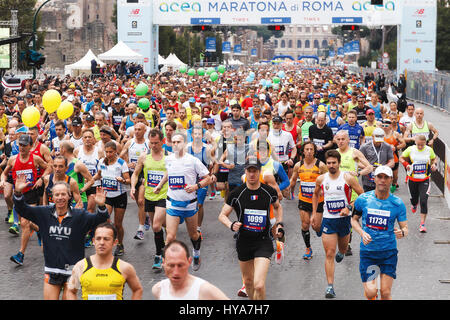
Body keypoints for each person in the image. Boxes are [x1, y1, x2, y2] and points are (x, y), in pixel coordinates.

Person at [12, 173, 109, 299]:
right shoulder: (44, 213)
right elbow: (23, 209)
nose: (60, 197)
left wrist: (101, 206)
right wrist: (18, 193)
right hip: (52, 269)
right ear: (52, 197)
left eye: (63, 194)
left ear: (69, 196)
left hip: (73, 271)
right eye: (57, 194)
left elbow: (100, 218)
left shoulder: (80, 216)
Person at [218, 158, 284, 300]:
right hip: (244, 242)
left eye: (255, 171)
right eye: (249, 171)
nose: (252, 174)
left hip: (263, 241)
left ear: (259, 172)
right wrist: (231, 225)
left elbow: (278, 207)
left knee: (259, 285)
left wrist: (279, 224)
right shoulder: (236, 193)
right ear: (245, 171)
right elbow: (222, 215)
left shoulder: (269, 192)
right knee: (248, 282)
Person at [154, 132, 212, 271]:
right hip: (172, 203)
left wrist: (196, 186)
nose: (175, 144)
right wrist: (160, 184)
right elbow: (169, 173)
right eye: (173, 142)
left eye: (178, 142)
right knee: (170, 237)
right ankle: (173, 265)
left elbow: (208, 178)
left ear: (185, 144)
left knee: (193, 235)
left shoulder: (193, 160)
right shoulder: (168, 159)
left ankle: (196, 253)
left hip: (189, 204)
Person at [311, 150, 364, 299]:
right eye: (329, 163)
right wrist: (315, 213)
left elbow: (362, 195)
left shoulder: (347, 178)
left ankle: (342, 252)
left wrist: (349, 207)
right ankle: (330, 287)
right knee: (329, 253)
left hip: (344, 220)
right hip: (328, 220)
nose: (331, 165)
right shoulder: (321, 179)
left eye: (334, 163)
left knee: (342, 249)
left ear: (339, 163)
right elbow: (315, 195)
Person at [352, 166, 408, 300]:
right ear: (374, 179)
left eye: (386, 177)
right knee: (371, 292)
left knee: (385, 292)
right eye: (380, 177)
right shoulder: (363, 199)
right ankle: (372, 294)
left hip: (388, 253)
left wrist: (402, 232)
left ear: (391, 180)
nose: (382, 180)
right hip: (368, 253)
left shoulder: (397, 204)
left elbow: (405, 228)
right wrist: (362, 233)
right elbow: (353, 220)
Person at [1, 134, 52, 265]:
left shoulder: (35, 158)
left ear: (30, 146)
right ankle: (42, 230)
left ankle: (20, 254)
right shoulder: (13, 159)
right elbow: (5, 173)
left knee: (24, 223)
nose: (22, 147)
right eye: (20, 145)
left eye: (25, 145)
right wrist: (2, 180)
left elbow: (49, 167)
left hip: (31, 193)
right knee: (28, 223)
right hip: (18, 194)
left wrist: (41, 179)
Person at [66, 223, 143, 300]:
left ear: (115, 242)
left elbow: (137, 289)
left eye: (106, 239)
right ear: (93, 241)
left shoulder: (125, 268)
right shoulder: (80, 266)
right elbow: (71, 291)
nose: (102, 243)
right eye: (98, 238)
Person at [131, 129, 168, 271]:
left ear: (162, 141)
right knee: (156, 226)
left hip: (164, 196)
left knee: (157, 225)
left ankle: (159, 254)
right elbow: (135, 173)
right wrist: (133, 187)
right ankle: (167, 238)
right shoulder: (144, 157)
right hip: (149, 196)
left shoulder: (168, 157)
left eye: (156, 143)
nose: (153, 146)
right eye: (151, 143)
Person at [152, 240, 229, 300]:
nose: (176, 272)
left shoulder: (204, 290)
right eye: (171, 265)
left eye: (180, 265)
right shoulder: (158, 290)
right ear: (163, 263)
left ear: (189, 262)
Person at [289, 141, 327, 260]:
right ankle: (308, 248)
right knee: (305, 224)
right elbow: (293, 180)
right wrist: (290, 191)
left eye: (311, 149)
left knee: (316, 226)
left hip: (318, 200)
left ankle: (319, 229)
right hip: (304, 199)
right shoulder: (298, 165)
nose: (309, 151)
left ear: (315, 151)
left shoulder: (320, 165)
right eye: (307, 149)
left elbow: (328, 181)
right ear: (303, 151)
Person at [93, 141, 130, 256]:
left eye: (111, 152)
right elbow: (99, 175)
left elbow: (128, 180)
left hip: (119, 196)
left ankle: (120, 244)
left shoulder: (121, 163)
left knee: (118, 224)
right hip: (107, 196)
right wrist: (90, 180)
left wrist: (122, 180)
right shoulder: (102, 162)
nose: (108, 154)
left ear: (115, 152)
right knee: (105, 221)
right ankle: (108, 243)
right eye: (107, 152)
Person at [399, 135, 437, 233]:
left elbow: (434, 159)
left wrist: (434, 165)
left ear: (425, 142)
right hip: (412, 179)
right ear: (415, 142)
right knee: (414, 200)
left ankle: (422, 224)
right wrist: (406, 165)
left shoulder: (429, 150)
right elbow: (401, 158)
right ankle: (414, 203)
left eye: (422, 145)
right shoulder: (410, 149)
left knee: (424, 200)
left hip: (425, 179)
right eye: (418, 144)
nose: (420, 147)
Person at [120, 122, 150, 241]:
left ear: (144, 131)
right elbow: (121, 155)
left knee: (141, 201)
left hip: (143, 173)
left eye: (139, 129)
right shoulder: (130, 142)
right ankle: (146, 216)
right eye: (135, 129)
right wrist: (127, 164)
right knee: (138, 201)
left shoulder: (148, 143)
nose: (137, 131)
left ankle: (140, 229)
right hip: (133, 173)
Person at [359, 128, 395, 192]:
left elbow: (392, 162)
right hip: (368, 179)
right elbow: (358, 162)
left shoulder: (387, 146)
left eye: (380, 140)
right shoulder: (364, 147)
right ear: (372, 136)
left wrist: (383, 168)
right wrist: (369, 167)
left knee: (382, 199)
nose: (378, 142)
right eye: (377, 140)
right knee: (369, 199)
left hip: (382, 180)